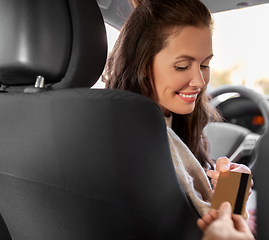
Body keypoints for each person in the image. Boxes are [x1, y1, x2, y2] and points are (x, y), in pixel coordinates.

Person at [103, 0, 253, 227]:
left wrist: (229, 187)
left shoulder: (158, 121)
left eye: (205, 64)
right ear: (143, 65)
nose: (200, 82)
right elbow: (215, 231)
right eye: (182, 66)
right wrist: (235, 194)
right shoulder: (148, 137)